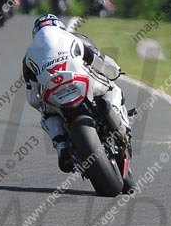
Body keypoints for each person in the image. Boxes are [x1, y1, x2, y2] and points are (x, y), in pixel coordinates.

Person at [22, 14, 130, 172]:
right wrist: (116, 72)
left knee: (47, 114)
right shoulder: (74, 38)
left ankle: (61, 144)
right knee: (112, 88)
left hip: (54, 93)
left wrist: (43, 105)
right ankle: (122, 127)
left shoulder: (28, 57)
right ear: (60, 27)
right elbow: (100, 62)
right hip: (83, 83)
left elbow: (32, 98)